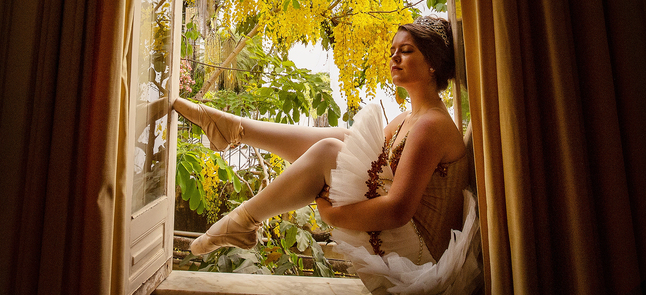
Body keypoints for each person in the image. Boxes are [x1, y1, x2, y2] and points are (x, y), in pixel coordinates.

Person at [174, 15, 482, 295]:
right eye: (392, 51)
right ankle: (235, 130)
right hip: (408, 241)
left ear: (433, 63)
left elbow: (398, 210)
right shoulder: (407, 119)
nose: (394, 58)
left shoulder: (432, 125)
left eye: (406, 51)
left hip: (420, 261)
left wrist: (333, 216)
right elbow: (363, 159)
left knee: (330, 151)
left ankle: (244, 217)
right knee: (345, 139)